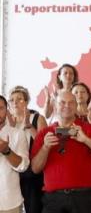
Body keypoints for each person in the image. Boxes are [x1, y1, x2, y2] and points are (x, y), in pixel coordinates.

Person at [30, 90, 91, 212]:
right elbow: (35, 169)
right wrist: (45, 147)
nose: (67, 106)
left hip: (84, 197)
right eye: (62, 102)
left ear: (76, 105)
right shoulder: (44, 133)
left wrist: (86, 140)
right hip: (54, 198)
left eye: (71, 103)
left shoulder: (89, 130)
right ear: (55, 105)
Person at [8, 85, 44, 213]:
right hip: (11, 174)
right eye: (12, 100)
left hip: (32, 174)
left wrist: (29, 126)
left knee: (33, 208)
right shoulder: (6, 121)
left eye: (19, 99)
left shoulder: (37, 118)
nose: (15, 102)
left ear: (27, 101)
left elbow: (44, 144)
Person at [0, 94, 30, 213]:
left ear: (7, 111)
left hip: (10, 202)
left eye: (1, 108)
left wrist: (7, 151)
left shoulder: (18, 134)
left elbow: (23, 166)